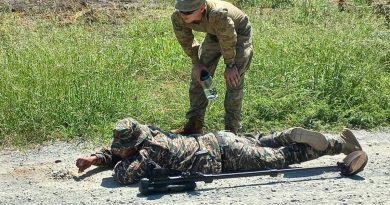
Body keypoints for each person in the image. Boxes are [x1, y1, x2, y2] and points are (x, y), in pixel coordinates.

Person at [76, 117, 362, 185]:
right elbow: (118, 151)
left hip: (224, 158)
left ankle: (338, 145)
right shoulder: (148, 132)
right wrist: (94, 158)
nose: (119, 151)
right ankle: (292, 135)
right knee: (265, 141)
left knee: (286, 157)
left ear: (133, 145)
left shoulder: (148, 154)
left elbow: (123, 173)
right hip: (219, 140)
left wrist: (113, 162)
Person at [170, 0, 254, 135]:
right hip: (215, 32)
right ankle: (194, 125)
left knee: (234, 80)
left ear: (202, 8)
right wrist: (197, 63)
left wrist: (230, 65)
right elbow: (186, 40)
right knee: (200, 77)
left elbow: (228, 39)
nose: (184, 15)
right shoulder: (178, 17)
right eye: (181, 10)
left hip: (238, 33)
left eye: (189, 11)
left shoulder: (217, 14)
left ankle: (231, 130)